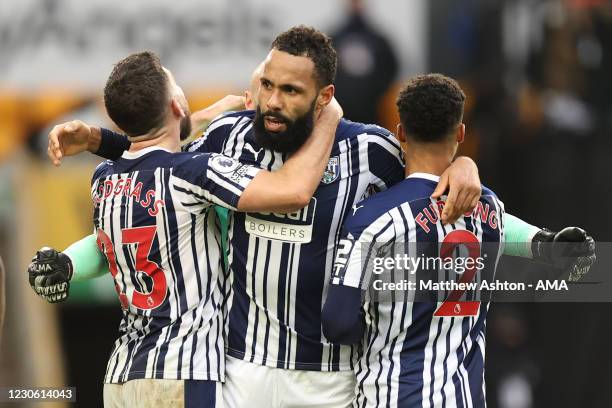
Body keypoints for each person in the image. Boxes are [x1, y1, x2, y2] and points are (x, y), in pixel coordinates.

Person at [39, 27, 550, 407]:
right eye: (266, 85)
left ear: (325, 98)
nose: (272, 103)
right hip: (241, 371)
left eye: (291, 92)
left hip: (332, 378)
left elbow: (440, 196)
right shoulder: (229, 137)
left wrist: (465, 165)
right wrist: (101, 142)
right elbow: (155, 172)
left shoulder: (372, 153)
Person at [28, 50, 343, 408]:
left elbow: (147, 155)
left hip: (121, 377)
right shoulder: (195, 172)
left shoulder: (103, 177)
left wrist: (67, 261)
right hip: (182, 373)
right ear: (178, 105)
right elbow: (294, 191)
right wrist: (330, 116)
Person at [321, 74, 596, 407]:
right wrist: (545, 242)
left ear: (401, 133)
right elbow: (507, 230)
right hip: (464, 397)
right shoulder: (490, 209)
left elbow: (338, 325)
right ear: (461, 133)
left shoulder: (373, 219)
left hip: (393, 395)